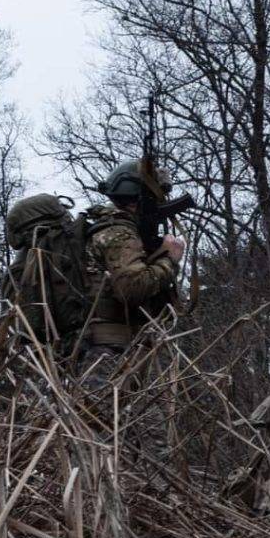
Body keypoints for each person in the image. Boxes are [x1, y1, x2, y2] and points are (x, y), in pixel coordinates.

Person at [77, 159, 186, 385]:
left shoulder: (113, 229)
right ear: (139, 200)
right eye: (156, 199)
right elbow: (132, 288)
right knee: (105, 408)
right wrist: (170, 260)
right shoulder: (119, 233)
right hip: (108, 352)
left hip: (120, 347)